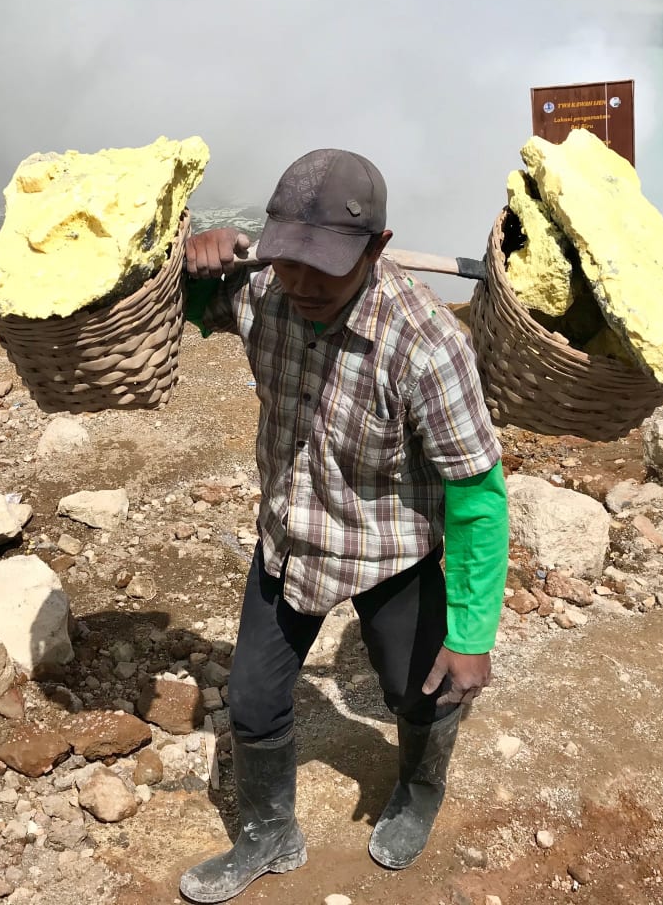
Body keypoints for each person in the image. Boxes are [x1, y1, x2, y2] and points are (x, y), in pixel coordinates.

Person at [176, 148, 510, 903]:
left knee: (418, 690)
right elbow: (188, 309)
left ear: (379, 248)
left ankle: (420, 792)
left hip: (388, 548)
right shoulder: (262, 291)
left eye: (327, 269)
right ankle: (269, 833)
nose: (304, 286)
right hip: (290, 537)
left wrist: (471, 633)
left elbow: (479, 494)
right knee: (255, 701)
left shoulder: (425, 345)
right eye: (290, 263)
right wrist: (192, 261)